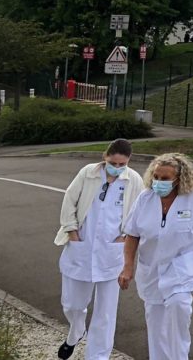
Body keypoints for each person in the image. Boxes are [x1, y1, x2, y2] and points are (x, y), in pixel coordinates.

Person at [118, 153, 193, 360]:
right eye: (156, 176)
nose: (158, 182)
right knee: (155, 324)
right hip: (152, 270)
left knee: (179, 309)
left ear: (179, 179)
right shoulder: (145, 198)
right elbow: (132, 234)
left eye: (165, 179)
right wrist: (127, 267)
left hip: (180, 269)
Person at [54, 138, 144, 360]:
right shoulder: (88, 173)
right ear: (106, 157)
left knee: (106, 312)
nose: (118, 167)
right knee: (72, 303)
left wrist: (125, 239)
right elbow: (69, 200)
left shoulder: (133, 180)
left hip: (113, 252)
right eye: (114, 162)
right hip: (81, 245)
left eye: (123, 164)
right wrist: (72, 231)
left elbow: (139, 212)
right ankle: (76, 330)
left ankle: (97, 356)